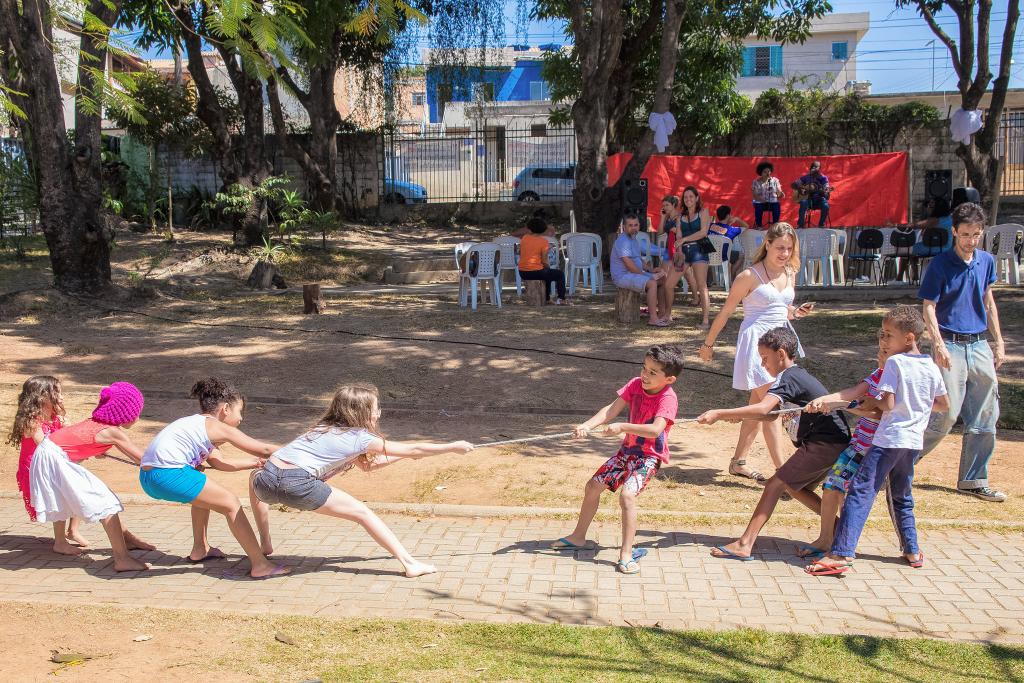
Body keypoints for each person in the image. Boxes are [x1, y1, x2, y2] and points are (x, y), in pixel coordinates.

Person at [251, 384, 473, 578]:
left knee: (254, 476)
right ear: (362, 412)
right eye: (376, 408)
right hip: (298, 484)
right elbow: (413, 447)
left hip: (266, 479)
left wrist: (403, 455)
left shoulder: (321, 428)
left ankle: (265, 540)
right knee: (364, 514)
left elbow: (368, 465)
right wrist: (452, 447)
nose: (378, 413)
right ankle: (410, 564)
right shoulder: (361, 437)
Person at [806, 306, 948, 575]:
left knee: (860, 491)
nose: (883, 341)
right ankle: (912, 549)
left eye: (888, 335)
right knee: (901, 495)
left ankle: (841, 554)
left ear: (909, 338)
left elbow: (888, 403)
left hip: (889, 439)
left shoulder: (895, 363)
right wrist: (913, 405)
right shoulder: (930, 365)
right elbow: (942, 404)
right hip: (913, 441)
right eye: (882, 335)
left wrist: (872, 401)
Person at [697, 327, 851, 561]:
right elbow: (770, 416)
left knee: (774, 484)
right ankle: (836, 534)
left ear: (781, 354)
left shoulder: (789, 377)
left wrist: (719, 412)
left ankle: (745, 543)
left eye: (765, 358)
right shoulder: (792, 377)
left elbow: (763, 408)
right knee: (793, 486)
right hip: (829, 442)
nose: (762, 364)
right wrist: (739, 415)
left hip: (825, 442)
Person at [140, 378, 290, 578]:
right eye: (240, 411)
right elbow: (263, 448)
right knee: (231, 503)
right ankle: (260, 564)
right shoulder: (216, 426)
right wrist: (299, 454)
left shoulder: (195, 425)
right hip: (168, 474)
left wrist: (254, 463)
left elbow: (219, 463)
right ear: (226, 408)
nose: (241, 419)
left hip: (149, 478)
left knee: (202, 490)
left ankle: (200, 548)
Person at [550, 345, 681, 574]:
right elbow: (610, 410)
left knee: (627, 496)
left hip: (648, 458)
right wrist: (587, 426)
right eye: (644, 368)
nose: (645, 375)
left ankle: (626, 554)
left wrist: (622, 426)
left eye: (653, 372)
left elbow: (655, 430)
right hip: (626, 454)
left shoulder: (668, 398)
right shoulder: (634, 385)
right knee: (592, 487)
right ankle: (578, 536)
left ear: (669, 379)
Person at [699, 223, 812, 483]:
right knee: (771, 408)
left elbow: (784, 310)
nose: (784, 253)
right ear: (768, 245)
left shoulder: (790, 271)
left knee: (757, 405)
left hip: (782, 342)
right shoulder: (748, 276)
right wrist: (708, 344)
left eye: (789, 248)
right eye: (780, 247)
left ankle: (738, 462)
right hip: (757, 345)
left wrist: (796, 312)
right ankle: (784, 473)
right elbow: (726, 311)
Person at [915, 202, 1006, 502]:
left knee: (985, 414)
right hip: (949, 343)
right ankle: (900, 466)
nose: (970, 240)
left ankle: (974, 480)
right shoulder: (940, 265)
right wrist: (937, 343)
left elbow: (989, 301)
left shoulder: (986, 261)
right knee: (945, 414)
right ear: (954, 231)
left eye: (976, 234)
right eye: (965, 234)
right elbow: (928, 306)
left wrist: (999, 341)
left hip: (979, 343)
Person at [799, 316, 912, 558]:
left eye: (886, 350)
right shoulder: (875, 376)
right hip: (855, 447)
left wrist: (843, 406)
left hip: (876, 449)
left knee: (853, 497)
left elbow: (879, 414)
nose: (881, 352)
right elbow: (851, 393)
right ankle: (825, 539)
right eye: (880, 349)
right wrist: (824, 400)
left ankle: (844, 544)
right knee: (831, 487)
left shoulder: (896, 380)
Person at [28, 382, 154, 572]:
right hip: (53, 458)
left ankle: (126, 541)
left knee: (83, 498)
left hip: (49, 454)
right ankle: (122, 559)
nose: (137, 417)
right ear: (125, 412)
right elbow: (144, 460)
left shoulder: (99, 423)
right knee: (105, 502)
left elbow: (82, 440)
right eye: (136, 412)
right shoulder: (113, 432)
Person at [8, 375, 86, 555]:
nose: (62, 396)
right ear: (42, 396)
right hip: (37, 467)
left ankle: (72, 531)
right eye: (57, 392)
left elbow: (70, 436)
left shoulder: (55, 416)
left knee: (78, 482)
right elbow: (45, 445)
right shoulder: (32, 421)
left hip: (54, 461)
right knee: (59, 496)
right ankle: (59, 542)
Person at [611, 211, 670, 327]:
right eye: (630, 225)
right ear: (624, 227)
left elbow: (638, 259)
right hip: (623, 276)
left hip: (633, 274)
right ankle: (653, 319)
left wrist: (651, 270)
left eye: (636, 225)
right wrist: (647, 275)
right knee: (652, 283)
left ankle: (662, 314)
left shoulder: (634, 239)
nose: (633, 228)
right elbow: (629, 266)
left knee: (662, 280)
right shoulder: (622, 241)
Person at [674, 186, 713, 329]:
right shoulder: (680, 216)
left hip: (700, 249)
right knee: (669, 282)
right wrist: (679, 250)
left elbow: (703, 233)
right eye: (685, 197)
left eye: (691, 196)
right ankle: (666, 316)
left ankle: (705, 321)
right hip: (685, 252)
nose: (688, 199)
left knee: (702, 285)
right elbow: (678, 236)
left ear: (697, 198)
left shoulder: (704, 212)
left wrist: (684, 240)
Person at [517, 216, 568, 305]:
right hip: (536, 272)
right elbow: (544, 260)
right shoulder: (543, 242)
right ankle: (561, 298)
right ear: (543, 229)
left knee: (547, 274)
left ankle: (547, 298)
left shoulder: (524, 238)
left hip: (522, 272)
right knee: (559, 274)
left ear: (530, 229)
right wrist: (547, 267)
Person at [654, 195, 687, 322]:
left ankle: (668, 311)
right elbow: (660, 232)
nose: (664, 207)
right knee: (663, 280)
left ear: (674, 205)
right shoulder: (668, 218)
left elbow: (683, 234)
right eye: (663, 205)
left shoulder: (680, 217)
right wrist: (662, 217)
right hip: (669, 251)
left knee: (687, 279)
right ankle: (663, 311)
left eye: (667, 205)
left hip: (678, 251)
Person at [708, 205, 749, 281]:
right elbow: (747, 226)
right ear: (728, 215)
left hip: (708, 255)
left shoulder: (710, 226)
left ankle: (710, 280)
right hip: (723, 256)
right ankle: (732, 278)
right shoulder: (732, 230)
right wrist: (737, 219)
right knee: (741, 255)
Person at [794, 160, 832, 228]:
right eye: (813, 167)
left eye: (816, 167)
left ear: (819, 169)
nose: (814, 168)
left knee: (826, 206)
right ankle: (800, 225)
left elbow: (826, 189)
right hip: (808, 200)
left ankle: (821, 224)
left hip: (819, 200)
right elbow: (794, 185)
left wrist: (824, 192)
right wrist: (801, 189)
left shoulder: (823, 178)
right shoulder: (806, 177)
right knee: (803, 202)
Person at [751, 161, 784, 228]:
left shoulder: (775, 180)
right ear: (761, 173)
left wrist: (780, 194)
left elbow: (779, 192)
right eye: (765, 172)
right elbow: (755, 195)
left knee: (777, 205)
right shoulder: (756, 182)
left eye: (769, 171)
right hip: (761, 202)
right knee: (758, 206)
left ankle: (775, 226)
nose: (767, 173)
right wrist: (761, 200)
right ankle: (759, 226)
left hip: (772, 202)